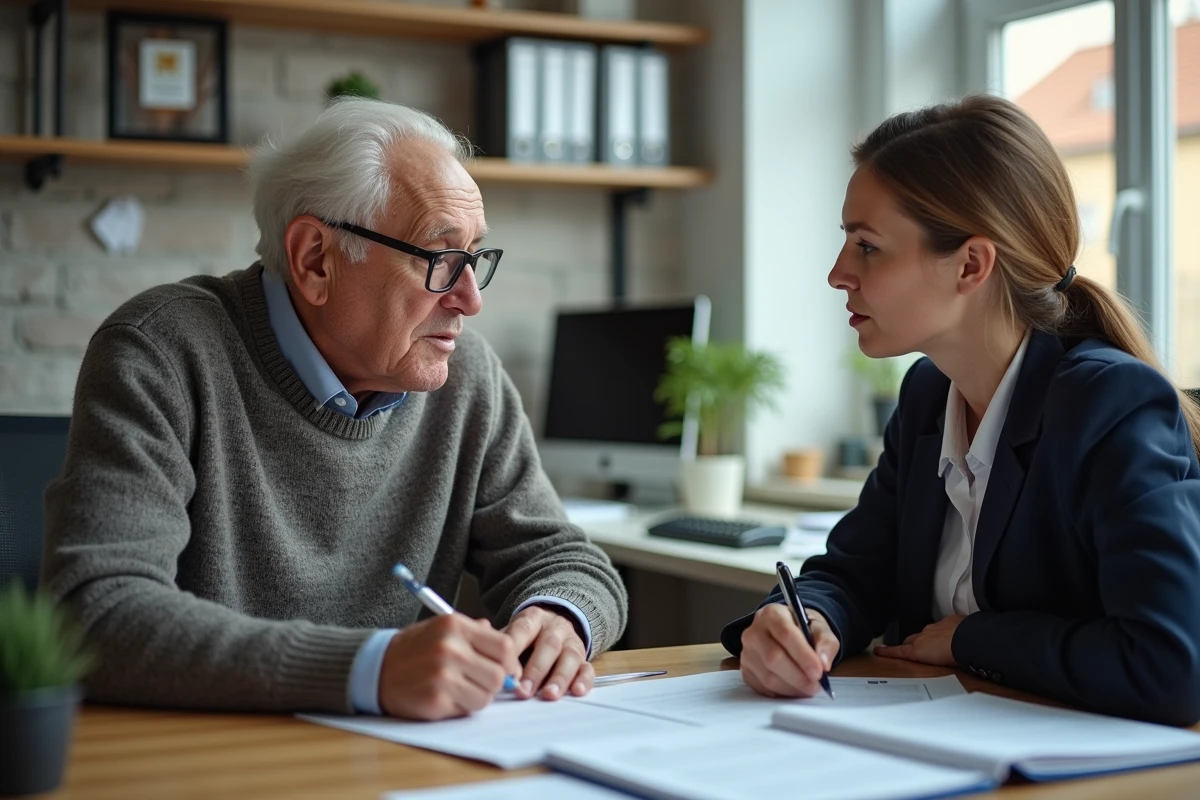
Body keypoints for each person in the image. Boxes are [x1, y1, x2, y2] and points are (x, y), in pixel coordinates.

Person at [40, 98, 627, 721]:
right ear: (315, 259)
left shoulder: (466, 377)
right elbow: (95, 611)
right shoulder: (160, 352)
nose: (469, 300)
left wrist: (558, 616)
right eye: (439, 259)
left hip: (402, 755)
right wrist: (368, 668)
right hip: (208, 754)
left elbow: (565, 559)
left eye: (474, 259)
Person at [722, 95, 1200, 726]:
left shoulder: (1109, 404)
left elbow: (1171, 665)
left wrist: (974, 639)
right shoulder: (928, 394)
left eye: (867, 246)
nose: (838, 273)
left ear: (971, 264)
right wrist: (802, 617)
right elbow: (854, 572)